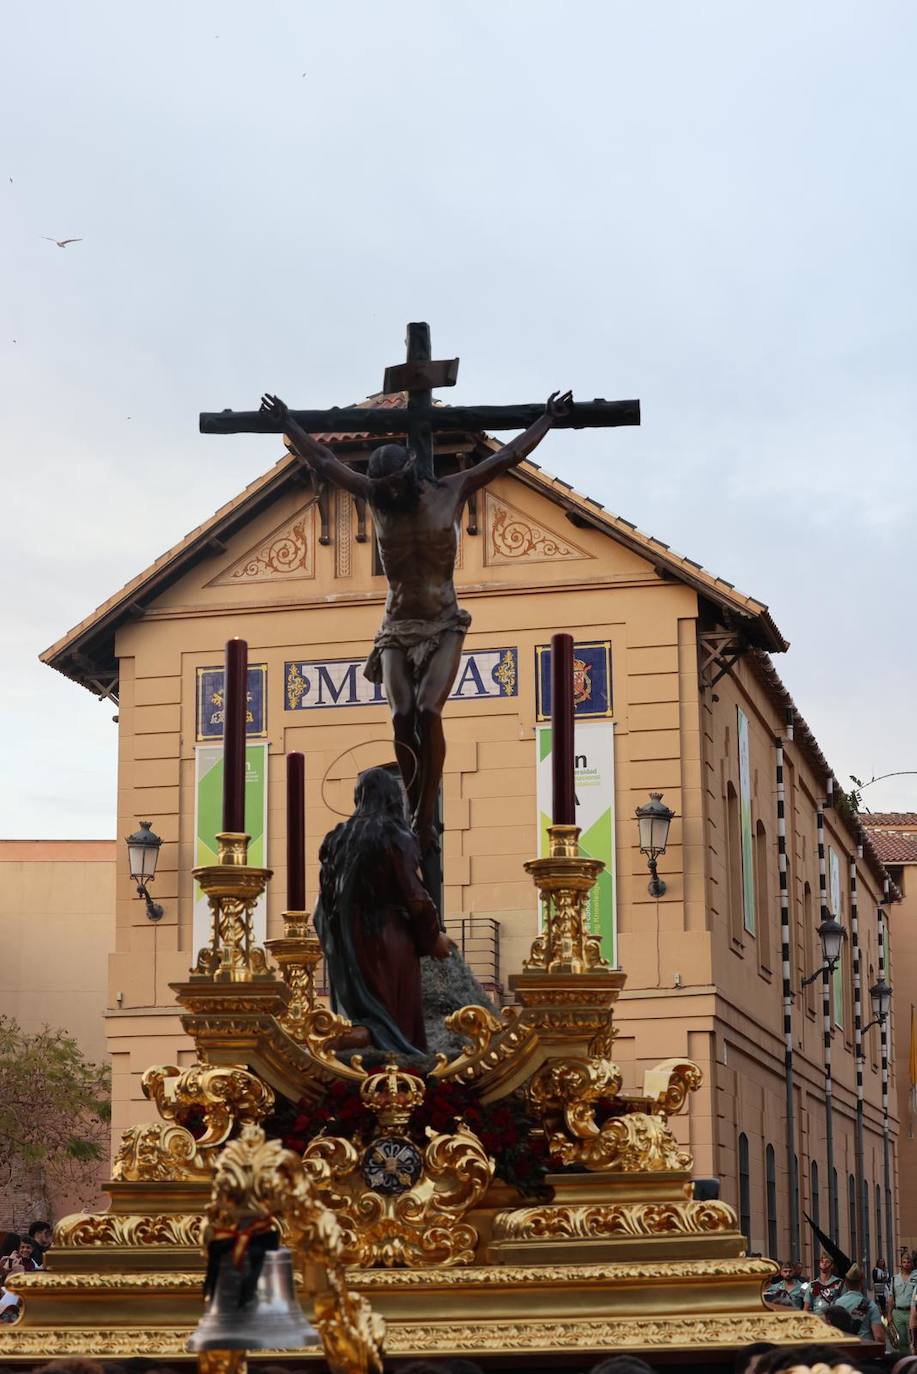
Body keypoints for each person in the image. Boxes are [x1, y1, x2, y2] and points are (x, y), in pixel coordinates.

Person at [259, 389, 572, 856]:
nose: (385, 496)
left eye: (391, 488)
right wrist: (288, 424)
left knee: (428, 710)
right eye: (379, 488)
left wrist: (547, 420)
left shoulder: (451, 491)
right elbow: (324, 461)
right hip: (396, 626)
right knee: (402, 716)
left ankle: (425, 814)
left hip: (444, 621)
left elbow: (507, 457)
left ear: (407, 475)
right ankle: (411, 804)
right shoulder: (375, 497)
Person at [314, 767, 451, 1054]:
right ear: (393, 799)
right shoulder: (394, 834)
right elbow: (415, 897)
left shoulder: (336, 839)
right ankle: (370, 1042)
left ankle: (354, 1036)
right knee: (396, 1026)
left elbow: (322, 905)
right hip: (389, 937)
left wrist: (337, 940)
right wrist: (433, 937)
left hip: (347, 942)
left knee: (368, 1012)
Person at [831, 1265, 885, 1343]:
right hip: (864, 1349)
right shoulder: (871, 1305)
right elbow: (878, 1336)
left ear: (846, 1283)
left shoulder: (837, 1303)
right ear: (862, 1283)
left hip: (844, 1349)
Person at [892, 1249, 915, 1352]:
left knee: (913, 1340)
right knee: (901, 1341)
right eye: (904, 1262)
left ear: (912, 1263)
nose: (906, 1264)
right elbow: (891, 1297)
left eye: (908, 1262)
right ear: (901, 1263)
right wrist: (888, 1314)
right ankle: (904, 1361)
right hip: (898, 1312)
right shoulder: (895, 1278)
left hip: (912, 1312)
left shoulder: (915, 1276)